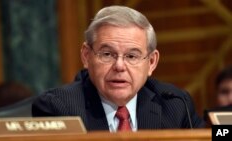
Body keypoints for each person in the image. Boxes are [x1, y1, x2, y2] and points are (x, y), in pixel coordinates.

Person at [32, 5, 205, 132]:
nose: (120, 66)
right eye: (107, 54)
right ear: (86, 56)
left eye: (131, 56)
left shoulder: (174, 103)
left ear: (151, 62)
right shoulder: (58, 108)